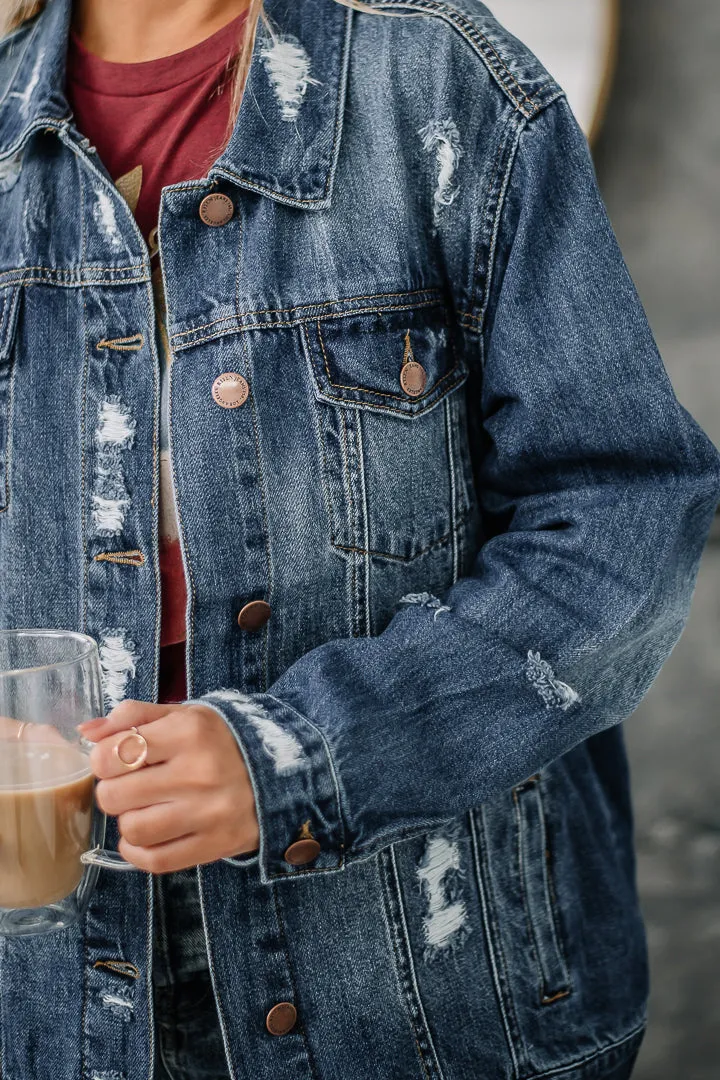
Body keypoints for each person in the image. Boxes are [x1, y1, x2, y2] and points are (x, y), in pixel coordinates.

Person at [0, 0, 718, 1077]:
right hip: (50, 1011)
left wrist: (300, 758)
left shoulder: (442, 80)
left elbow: (625, 512)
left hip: (425, 987)